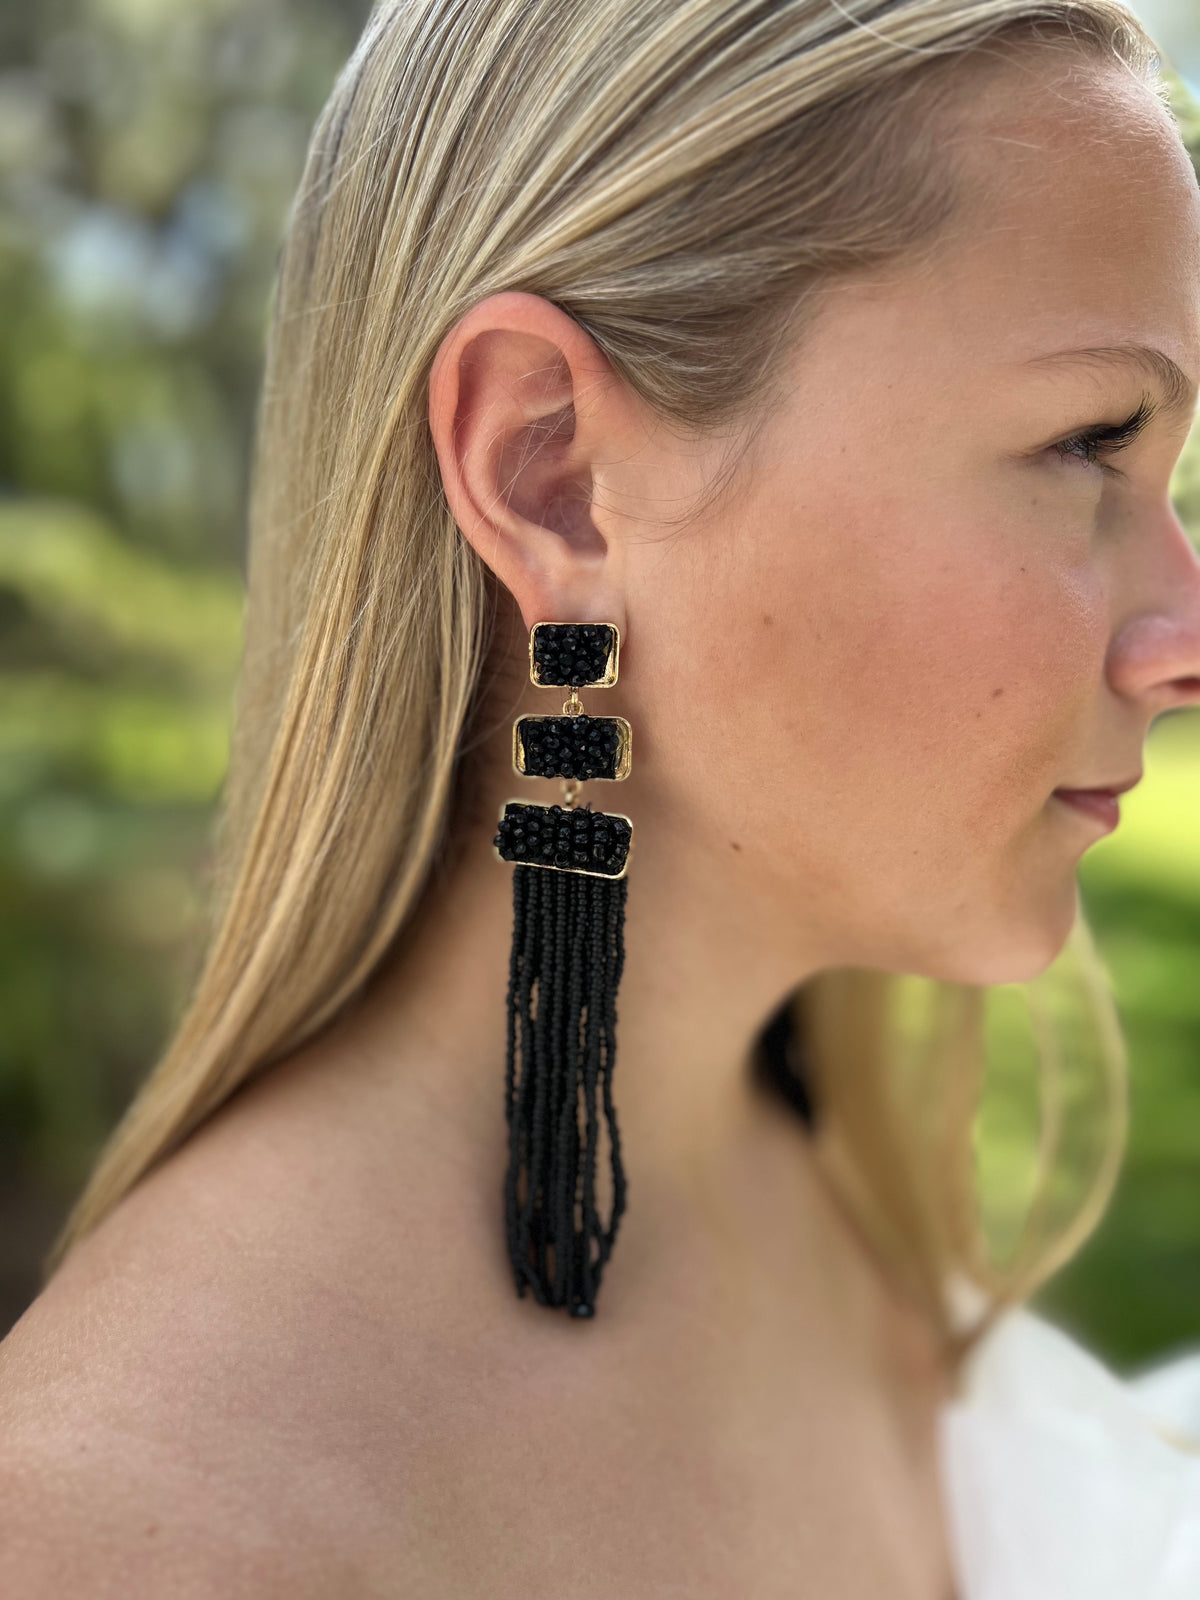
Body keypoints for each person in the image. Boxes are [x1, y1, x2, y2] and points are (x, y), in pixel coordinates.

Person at [2, 1, 1199, 1593]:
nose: (1182, 636)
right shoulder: (135, 1534)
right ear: (549, 469)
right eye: (1088, 443)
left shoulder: (823, 1188)